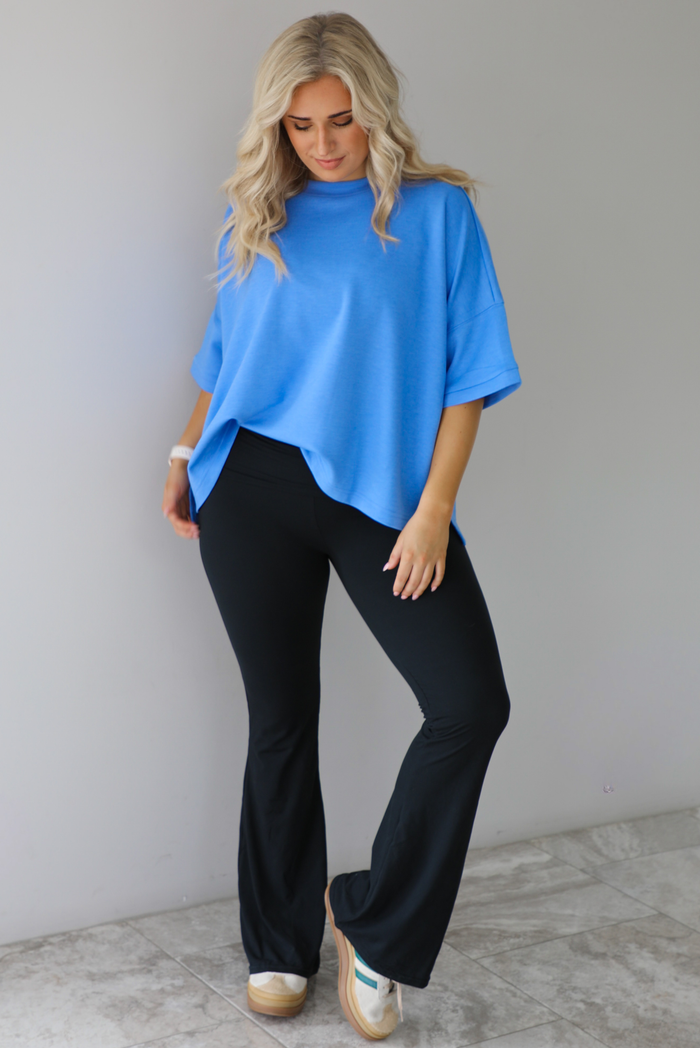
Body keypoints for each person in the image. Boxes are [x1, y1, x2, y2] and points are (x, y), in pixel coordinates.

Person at [162, 11, 521, 1042]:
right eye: (301, 123)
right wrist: (185, 456)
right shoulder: (254, 218)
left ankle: (371, 924)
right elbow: (224, 352)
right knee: (279, 721)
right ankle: (277, 943)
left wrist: (433, 512)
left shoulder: (440, 215)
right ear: (276, 126)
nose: (323, 142)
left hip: (383, 499)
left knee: (469, 702)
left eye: (342, 120)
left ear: (375, 110)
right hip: (251, 488)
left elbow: (470, 376)